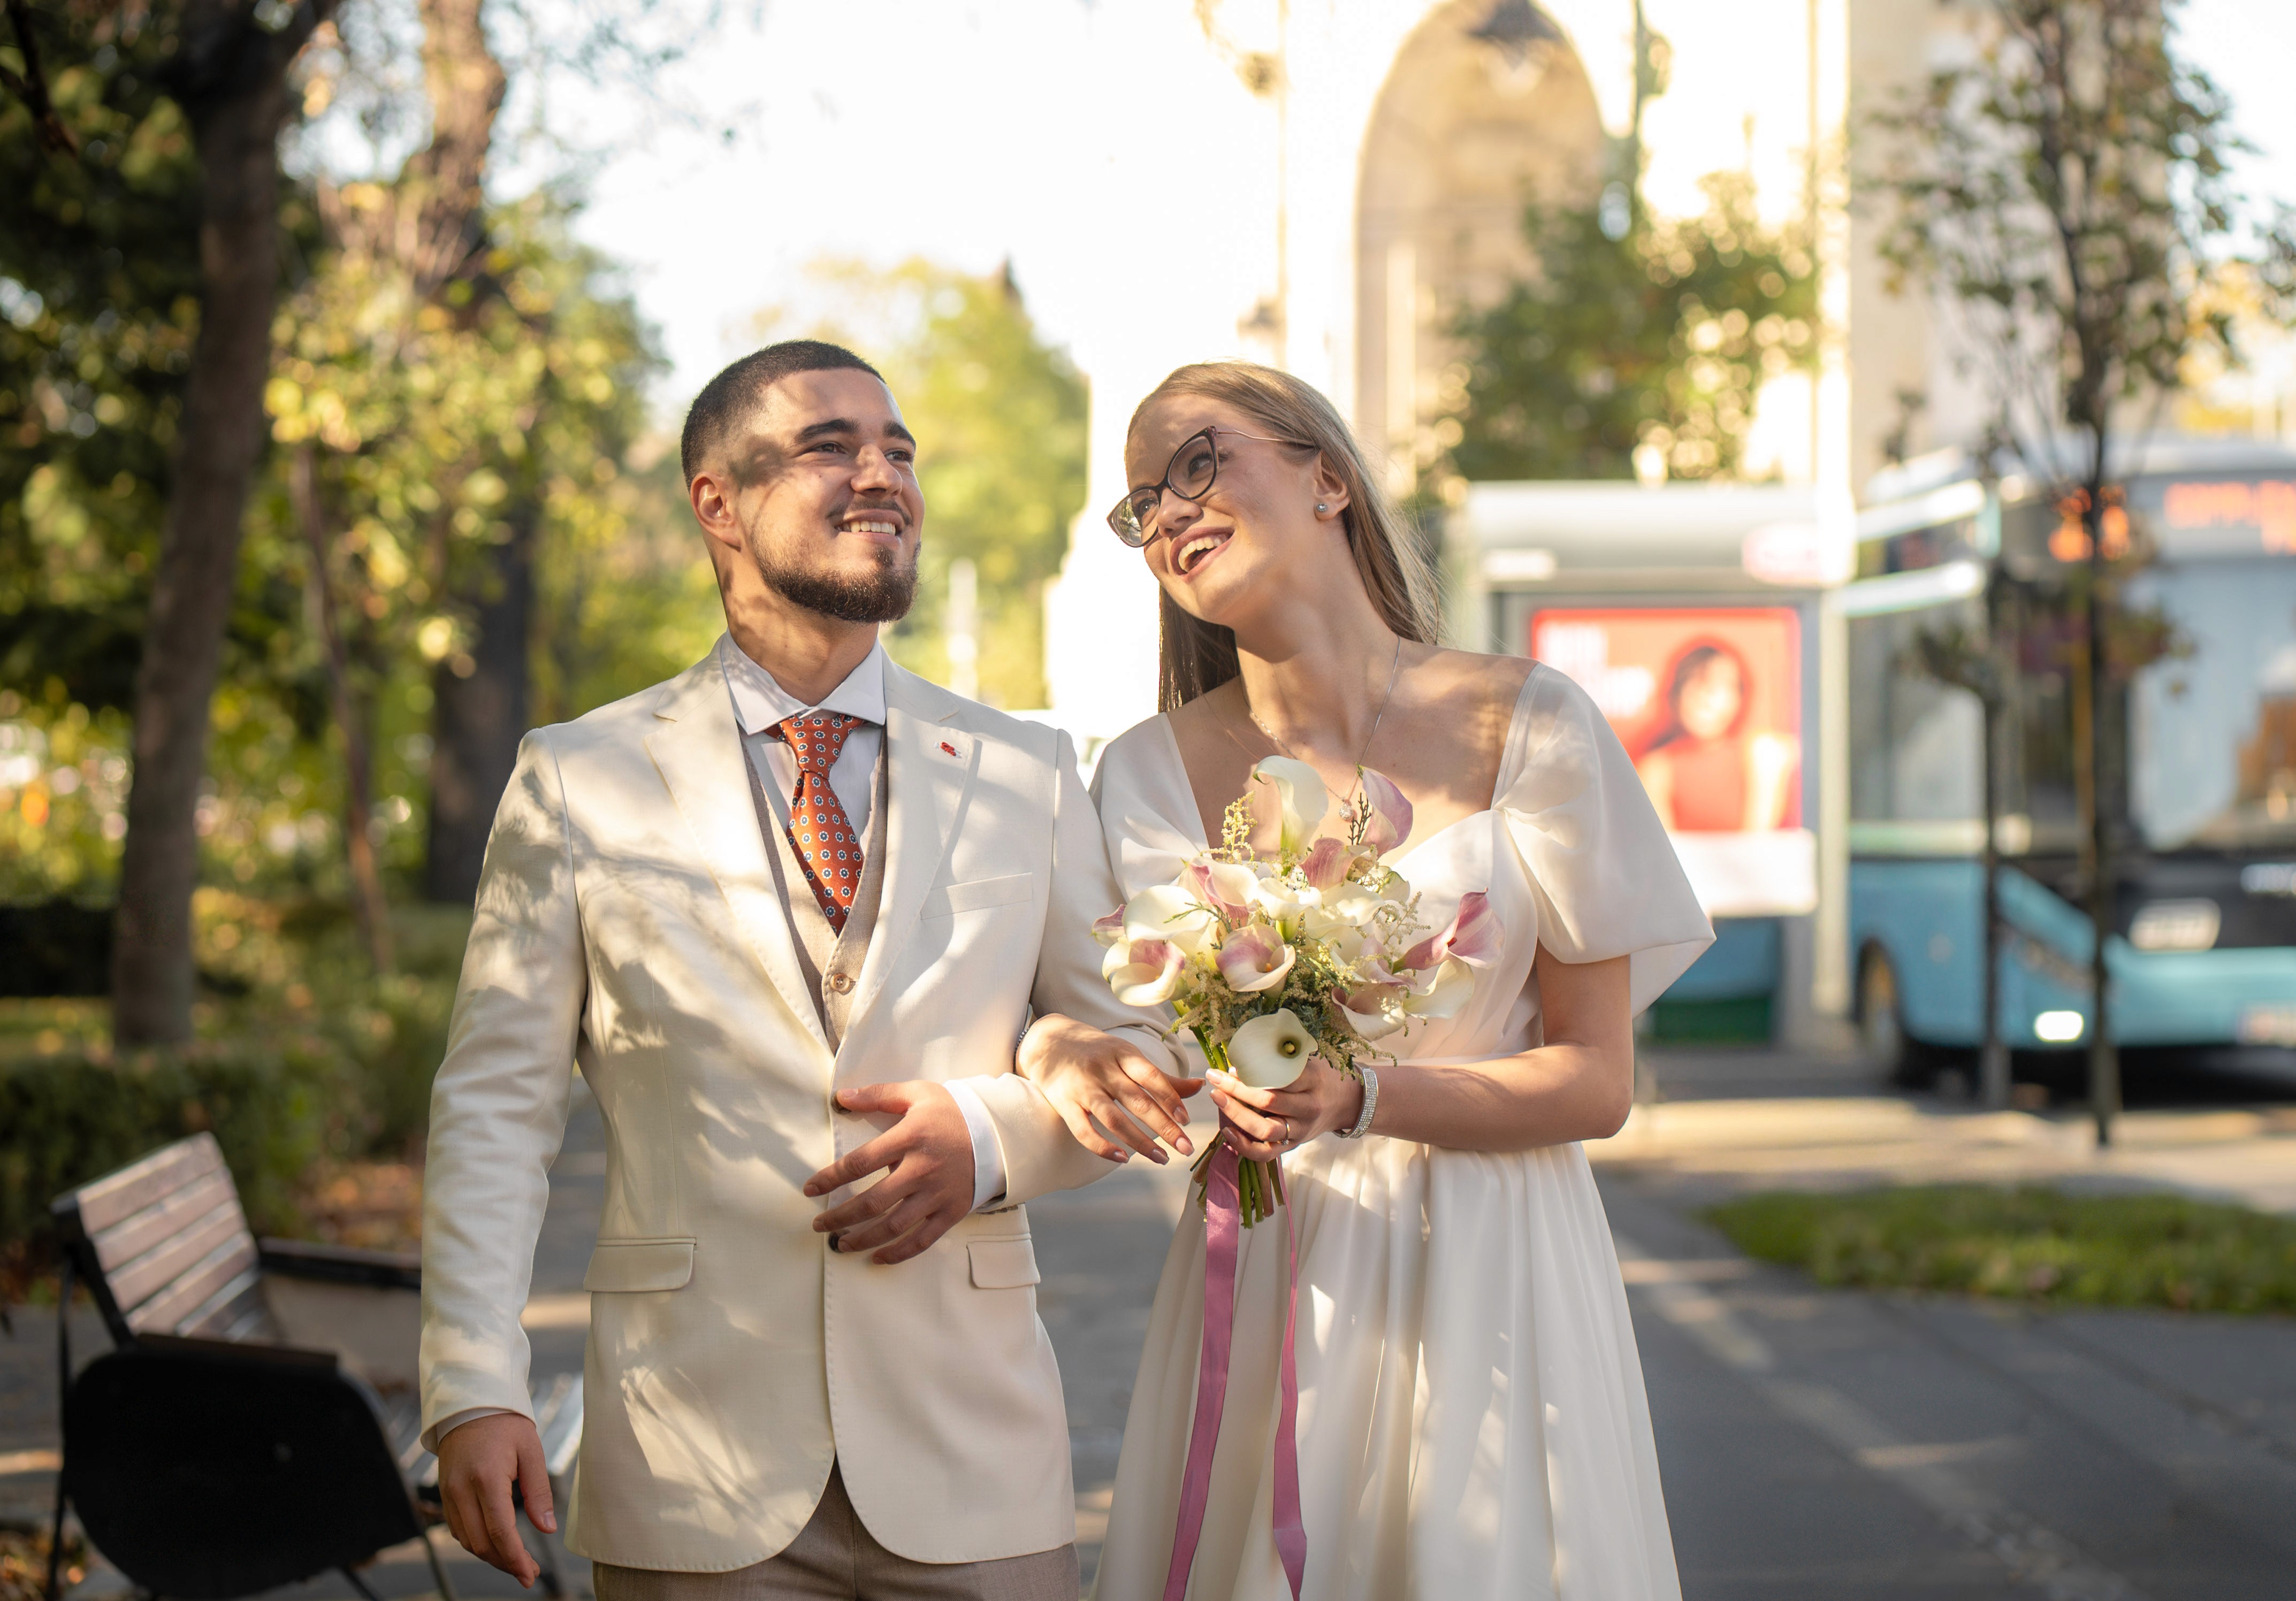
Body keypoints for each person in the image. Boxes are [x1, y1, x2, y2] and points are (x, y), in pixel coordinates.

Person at [418, 339, 1179, 1601]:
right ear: (718, 502)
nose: (883, 475)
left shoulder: (1025, 769)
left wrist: (986, 1139)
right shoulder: (579, 775)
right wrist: (472, 1383)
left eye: (899, 451)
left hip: (972, 1450)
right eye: (832, 446)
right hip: (693, 1457)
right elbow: (495, 1104)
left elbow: (1138, 1057)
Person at [1025, 361, 1715, 1598]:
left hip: (1502, 1258)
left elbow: (1596, 1079)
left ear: (1328, 479)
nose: (1170, 510)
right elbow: (1128, 1036)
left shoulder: (1532, 722)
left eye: (1199, 462)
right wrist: (1077, 1053)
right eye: (1142, 502)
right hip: (1280, 1260)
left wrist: (1361, 1097)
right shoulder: (1139, 773)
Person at [1633, 639, 1801, 832]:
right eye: (1694, 682)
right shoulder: (1657, 769)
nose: (1705, 698)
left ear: (1740, 698)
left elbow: (1758, 843)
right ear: (1676, 694)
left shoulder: (1761, 754)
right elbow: (1663, 848)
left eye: (1721, 686)